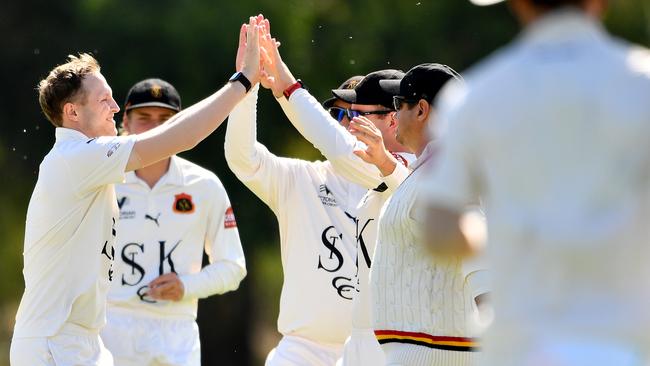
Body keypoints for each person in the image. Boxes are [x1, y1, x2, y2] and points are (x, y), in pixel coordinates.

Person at [10, 16, 263, 366]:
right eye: (104, 101)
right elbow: (181, 136)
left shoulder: (88, 158)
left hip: (87, 342)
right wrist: (243, 82)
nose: (115, 109)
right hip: (54, 343)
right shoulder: (77, 157)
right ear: (72, 112)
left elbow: (168, 136)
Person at [421, 0, 650, 365]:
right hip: (628, 347)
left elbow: (439, 232)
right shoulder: (641, 84)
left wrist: (512, 236)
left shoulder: (475, 96)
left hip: (521, 348)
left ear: (517, 4)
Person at [256, 30, 418, 365]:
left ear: (391, 118)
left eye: (359, 114)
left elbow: (339, 149)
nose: (348, 124)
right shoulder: (379, 171)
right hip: (360, 344)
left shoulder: (408, 168)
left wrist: (286, 87)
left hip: (397, 342)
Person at [99, 78, 246, 366]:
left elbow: (233, 267)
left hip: (176, 333)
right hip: (110, 327)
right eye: (144, 118)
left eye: (166, 119)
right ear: (125, 122)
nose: (155, 128)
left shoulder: (204, 185)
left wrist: (187, 287)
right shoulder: (105, 182)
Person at [354, 63, 489, 365]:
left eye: (398, 105)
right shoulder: (435, 170)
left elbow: (478, 252)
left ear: (421, 110)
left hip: (431, 355)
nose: (394, 116)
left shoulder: (446, 170)